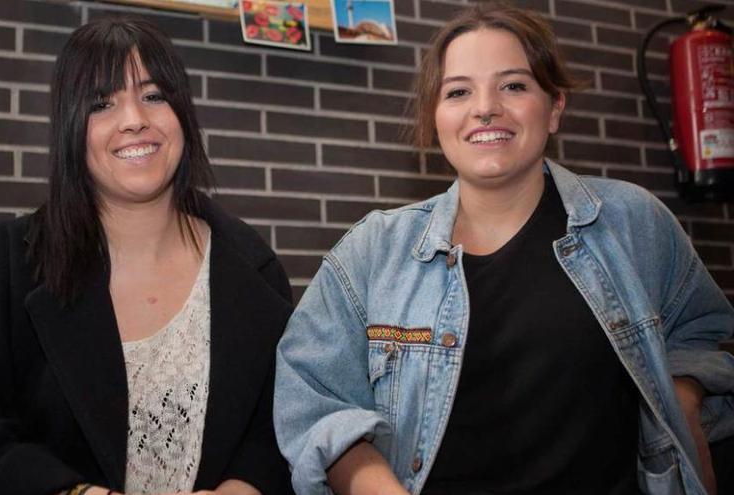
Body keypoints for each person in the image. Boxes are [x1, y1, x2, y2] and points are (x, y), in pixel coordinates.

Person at [273, 2, 734, 494]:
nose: (485, 107)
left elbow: (704, 332)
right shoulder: (371, 251)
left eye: (513, 85)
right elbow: (312, 397)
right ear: (437, 117)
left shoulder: (631, 222)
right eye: (458, 91)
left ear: (555, 108)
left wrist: (683, 397)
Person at [0, 17, 294, 495]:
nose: (134, 119)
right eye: (102, 103)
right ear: (70, 129)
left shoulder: (254, 270)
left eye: (154, 95)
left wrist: (242, 489)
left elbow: (278, 433)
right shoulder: (8, 268)